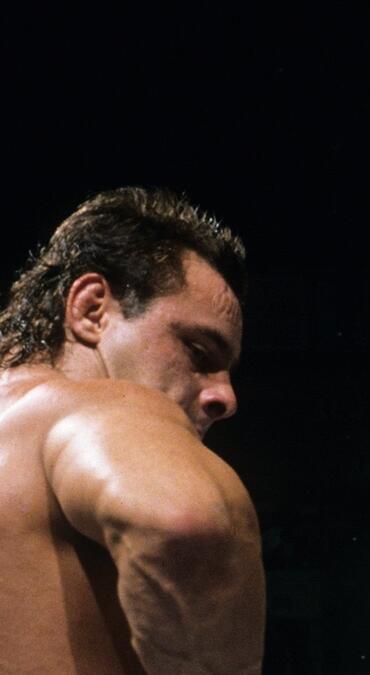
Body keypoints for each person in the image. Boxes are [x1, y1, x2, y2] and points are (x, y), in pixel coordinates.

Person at [0, 188, 265, 673]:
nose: (225, 398)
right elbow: (181, 521)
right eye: (198, 351)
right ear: (91, 308)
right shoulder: (86, 407)